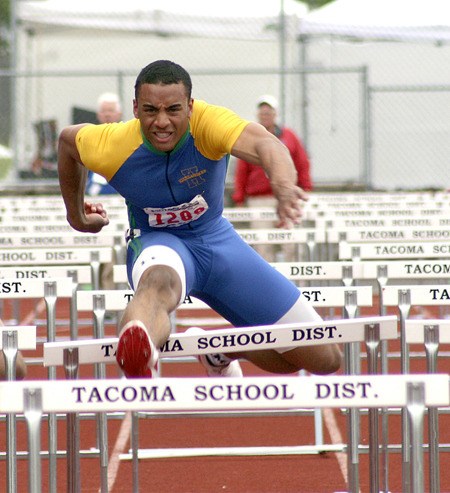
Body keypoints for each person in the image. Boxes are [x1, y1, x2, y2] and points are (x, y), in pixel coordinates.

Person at [57, 59, 341, 380]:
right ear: (135, 108)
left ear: (190, 107)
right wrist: (76, 214)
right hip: (157, 242)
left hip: (217, 242)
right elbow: (68, 141)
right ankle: (139, 351)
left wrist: (283, 184)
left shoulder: (208, 123)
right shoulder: (114, 143)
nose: (161, 122)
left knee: (323, 356)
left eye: (173, 110)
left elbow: (265, 143)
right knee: (158, 283)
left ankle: (218, 348)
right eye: (150, 110)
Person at [232, 95, 313, 261]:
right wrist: (239, 198)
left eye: (269, 112)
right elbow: (242, 170)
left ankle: (296, 283)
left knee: (291, 242)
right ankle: (267, 284)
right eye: (262, 113)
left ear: (276, 114)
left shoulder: (290, 136)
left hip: (287, 195)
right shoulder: (251, 136)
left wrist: (305, 188)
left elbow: (302, 162)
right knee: (263, 245)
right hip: (259, 198)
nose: (265, 116)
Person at [85, 92, 123, 196]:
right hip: (96, 188)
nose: (107, 114)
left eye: (111, 110)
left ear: (119, 114)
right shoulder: (89, 137)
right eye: (103, 111)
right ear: (98, 115)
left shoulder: (127, 136)